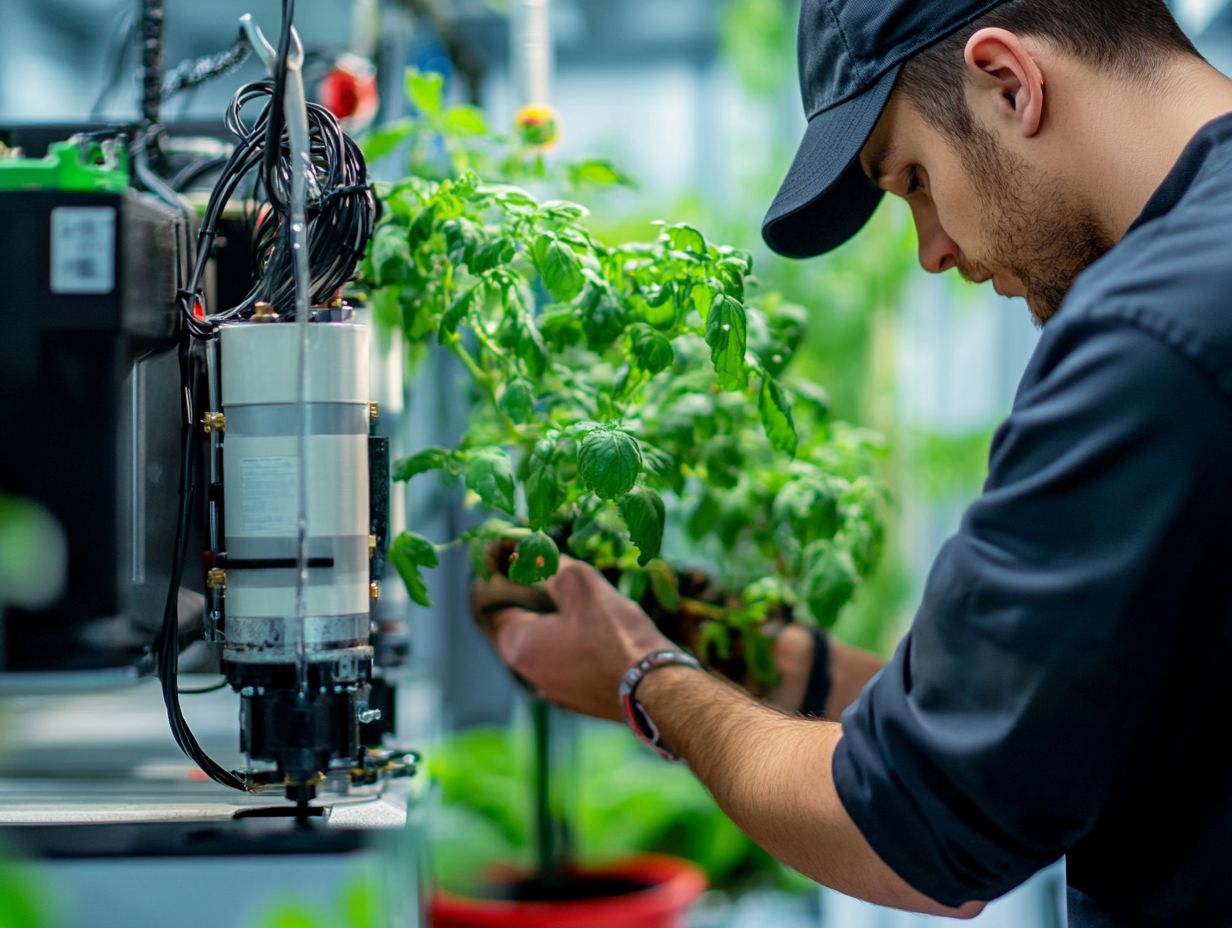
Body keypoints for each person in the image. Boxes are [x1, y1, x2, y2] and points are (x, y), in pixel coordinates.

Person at [472, 0, 1232, 923]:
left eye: (913, 176)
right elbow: (1026, 729)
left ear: (1008, 82)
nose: (931, 249)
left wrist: (641, 675)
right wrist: (751, 651)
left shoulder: (1144, 337)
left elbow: (915, 836)